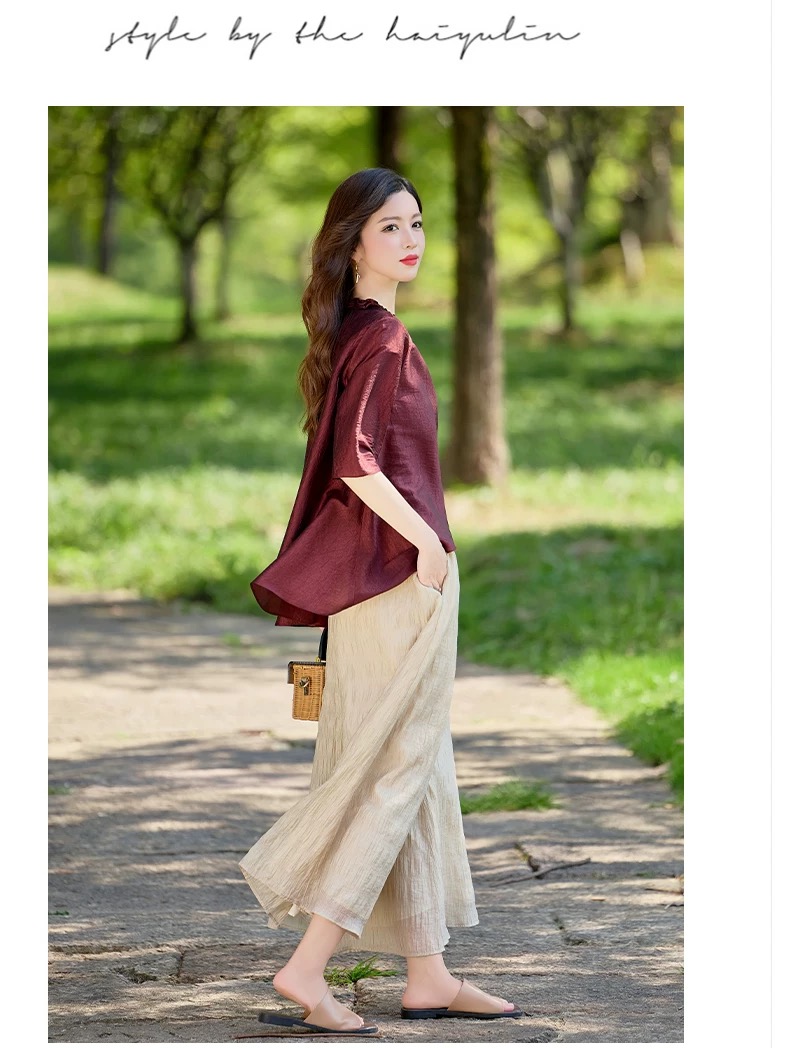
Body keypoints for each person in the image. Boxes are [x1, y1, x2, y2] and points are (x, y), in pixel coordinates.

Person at [239, 168, 524, 1035]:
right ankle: (307, 966)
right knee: (395, 771)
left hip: (367, 587)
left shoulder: (357, 332)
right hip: (400, 578)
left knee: (419, 766)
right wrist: (428, 544)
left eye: (418, 224)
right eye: (391, 226)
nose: (411, 241)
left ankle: (428, 974)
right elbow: (357, 464)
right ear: (353, 242)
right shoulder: (385, 338)